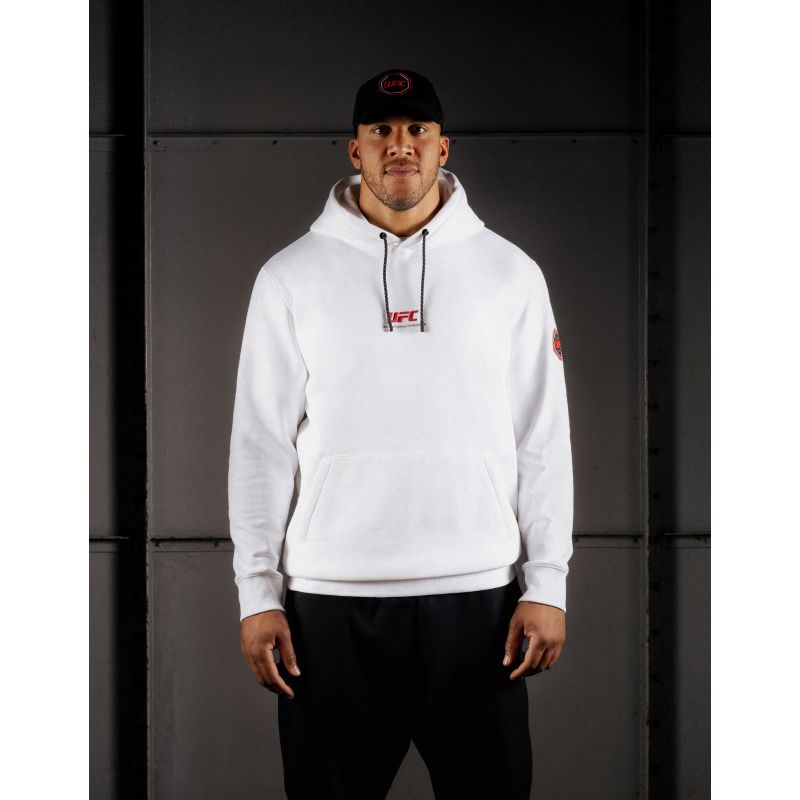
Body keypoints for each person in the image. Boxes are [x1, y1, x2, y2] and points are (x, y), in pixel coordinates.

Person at [228, 68, 574, 800]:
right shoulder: (289, 277)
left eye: (418, 129)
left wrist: (548, 584)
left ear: (443, 147)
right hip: (329, 607)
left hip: (479, 603)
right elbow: (260, 445)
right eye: (381, 130)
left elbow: (542, 438)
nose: (400, 145)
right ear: (354, 150)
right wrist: (258, 595)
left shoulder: (510, 273)